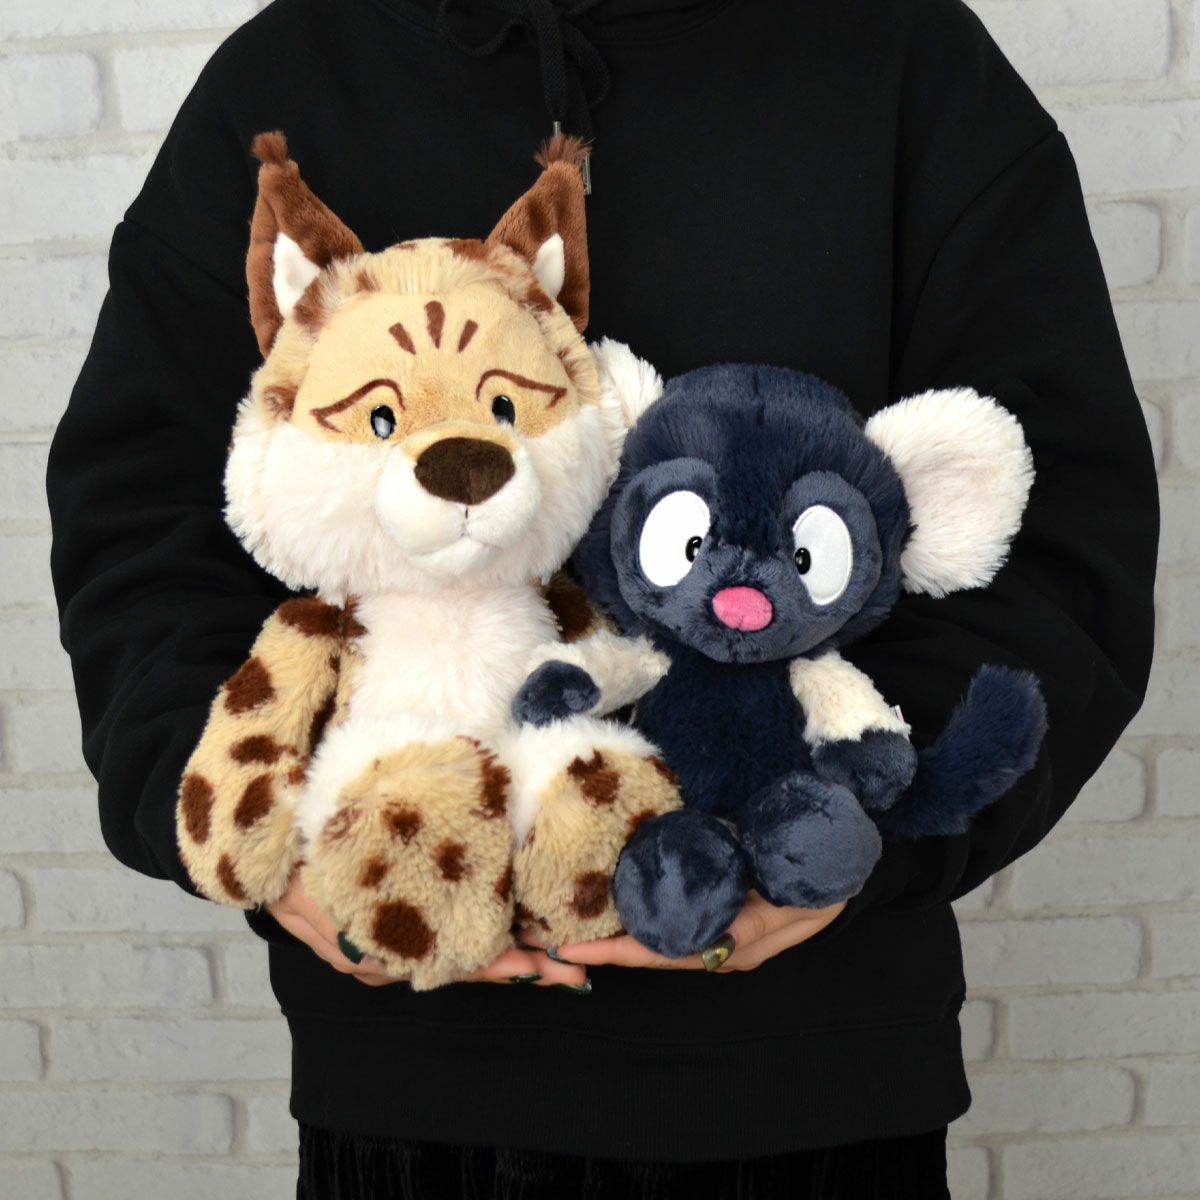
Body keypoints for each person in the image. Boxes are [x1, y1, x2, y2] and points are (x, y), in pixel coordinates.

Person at [46, 0, 1158, 1196]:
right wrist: (268, 836)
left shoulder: (910, 61)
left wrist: (852, 827)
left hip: (812, 1077)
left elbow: (1058, 538)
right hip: (415, 1057)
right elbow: (143, 522)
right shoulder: (293, 76)